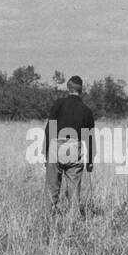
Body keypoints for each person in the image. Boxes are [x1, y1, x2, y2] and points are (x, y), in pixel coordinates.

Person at [44, 75, 96, 215]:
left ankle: (48, 219)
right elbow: (90, 137)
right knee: (74, 190)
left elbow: (49, 129)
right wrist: (90, 160)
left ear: (68, 88)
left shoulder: (58, 104)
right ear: (81, 90)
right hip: (75, 147)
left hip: (56, 146)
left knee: (52, 188)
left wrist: (46, 153)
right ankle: (73, 222)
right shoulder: (86, 110)